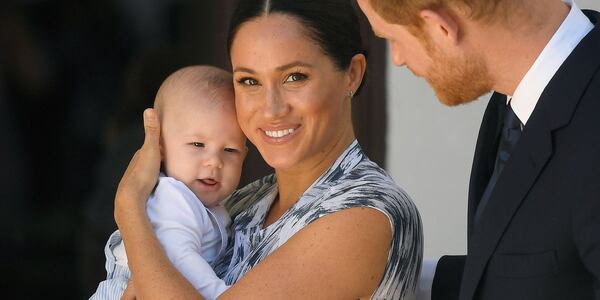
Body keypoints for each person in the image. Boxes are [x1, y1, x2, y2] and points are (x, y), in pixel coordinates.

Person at [112, 0, 423, 299]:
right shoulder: (246, 200)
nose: (271, 109)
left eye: (294, 77)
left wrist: (129, 206)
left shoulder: (365, 213)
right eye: (249, 81)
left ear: (352, 74)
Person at [357, 0, 600, 299]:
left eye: (392, 39)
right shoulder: (515, 101)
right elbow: (543, 270)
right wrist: (392, 277)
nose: (398, 59)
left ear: (441, 27)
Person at [90, 65, 248, 299]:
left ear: (245, 155)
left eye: (230, 150)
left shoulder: (208, 204)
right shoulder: (172, 197)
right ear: (160, 148)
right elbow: (180, 260)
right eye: (197, 145)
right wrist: (223, 295)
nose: (214, 162)